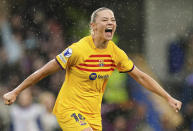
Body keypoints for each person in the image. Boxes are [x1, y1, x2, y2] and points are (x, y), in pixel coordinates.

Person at [3, 7, 182, 131]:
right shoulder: (77, 50)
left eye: (113, 20)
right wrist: (16, 91)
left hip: (93, 115)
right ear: (93, 26)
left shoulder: (115, 53)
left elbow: (141, 77)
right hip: (69, 109)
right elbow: (42, 71)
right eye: (105, 19)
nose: (110, 22)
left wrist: (168, 97)